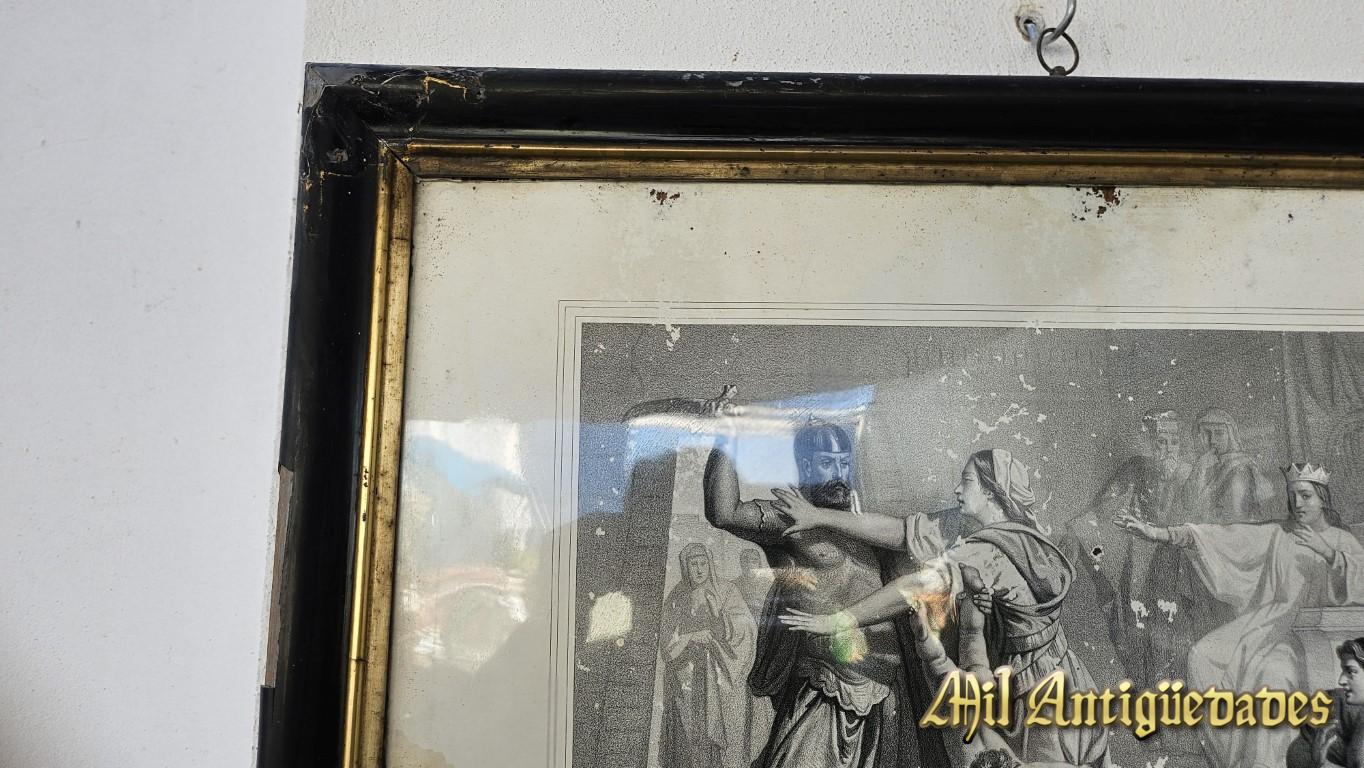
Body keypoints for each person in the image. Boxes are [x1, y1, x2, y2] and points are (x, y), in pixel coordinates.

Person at [778, 449, 1111, 767]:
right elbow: (901, 532)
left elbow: (913, 588)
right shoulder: (978, 527)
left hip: (1043, 691)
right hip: (1026, 677)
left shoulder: (991, 550)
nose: (957, 489)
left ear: (991, 492)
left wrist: (841, 620)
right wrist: (818, 516)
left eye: (967, 482)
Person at [703, 411, 938, 768]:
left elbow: (909, 541)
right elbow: (724, 513)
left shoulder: (864, 521)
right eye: (827, 463)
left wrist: (824, 516)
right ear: (806, 466)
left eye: (843, 463)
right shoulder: (790, 520)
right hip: (824, 684)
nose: (839, 473)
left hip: (887, 690)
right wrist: (725, 435)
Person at [1116, 463, 1364, 768]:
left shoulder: (1342, 541)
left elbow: (1358, 585)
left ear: (1322, 499)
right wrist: (1159, 533)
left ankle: (1268, 763)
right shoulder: (1280, 534)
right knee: (1203, 656)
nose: (1297, 503)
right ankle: (1232, 759)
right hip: (1269, 626)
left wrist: (1328, 553)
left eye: (1305, 496)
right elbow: (1224, 537)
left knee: (1271, 675)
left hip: (1314, 639)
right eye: (1292, 496)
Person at [659, 543, 758, 768]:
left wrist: (719, 616)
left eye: (703, 563)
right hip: (686, 675)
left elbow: (746, 628)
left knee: (720, 730)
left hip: (720, 672)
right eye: (693, 564)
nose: (699, 569)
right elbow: (666, 637)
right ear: (685, 567)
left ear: (710, 564)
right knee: (690, 732)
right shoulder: (677, 596)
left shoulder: (727, 590)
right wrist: (690, 637)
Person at [1184, 407, 1277, 524]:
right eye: (1206, 433)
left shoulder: (1240, 468)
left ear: (1230, 435)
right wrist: (1200, 468)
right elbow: (1188, 504)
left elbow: (1235, 517)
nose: (1212, 441)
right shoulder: (1205, 465)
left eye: (1219, 433)